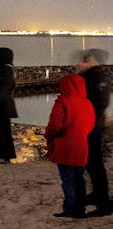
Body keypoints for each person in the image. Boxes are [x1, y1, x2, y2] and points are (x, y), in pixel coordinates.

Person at [45, 73, 95, 218]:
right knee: (79, 179)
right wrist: (81, 133)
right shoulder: (87, 103)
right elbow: (91, 124)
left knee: (68, 181)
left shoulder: (62, 102)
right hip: (81, 146)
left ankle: (70, 209)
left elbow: (55, 125)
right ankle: (80, 209)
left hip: (64, 147)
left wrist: (48, 135)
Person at [77, 50, 111, 215]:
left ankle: (103, 204)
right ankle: (98, 194)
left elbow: (101, 102)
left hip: (93, 126)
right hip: (89, 124)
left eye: (86, 59)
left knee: (95, 163)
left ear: (94, 61)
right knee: (91, 163)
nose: (81, 62)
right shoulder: (90, 75)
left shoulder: (99, 77)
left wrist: (87, 118)